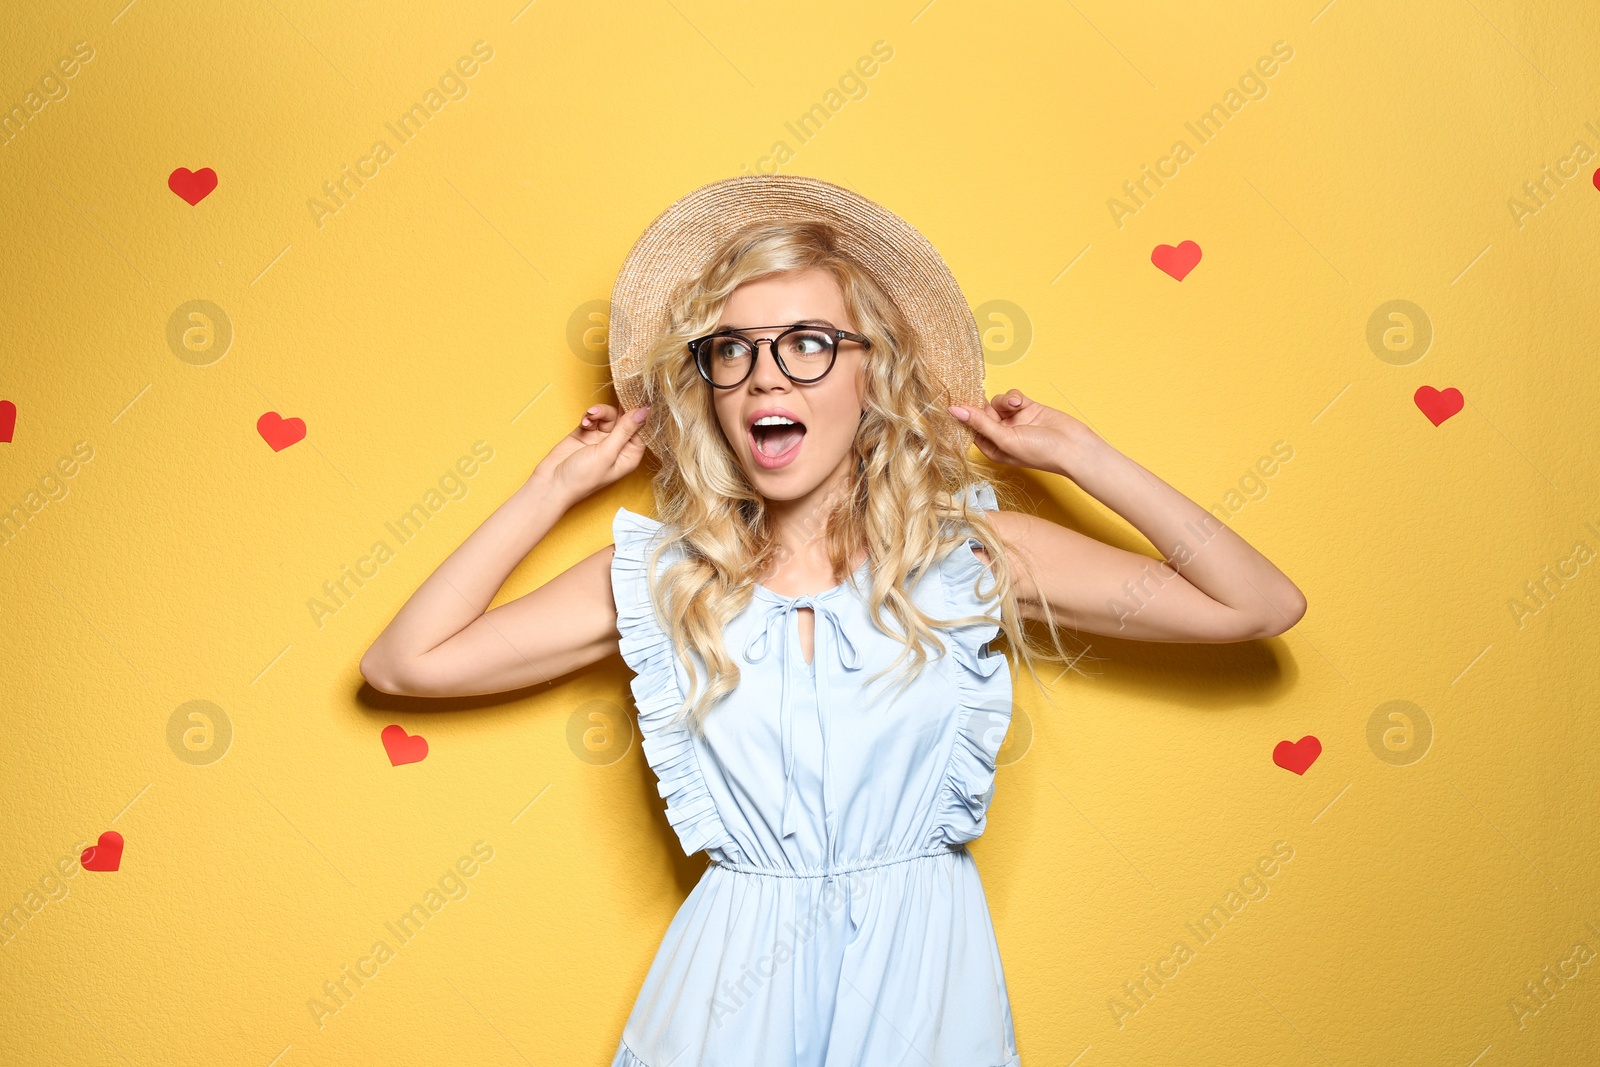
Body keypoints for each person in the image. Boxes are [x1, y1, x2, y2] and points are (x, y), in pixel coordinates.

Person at [359, 175, 1306, 1066]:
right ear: (710, 389)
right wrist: (549, 488)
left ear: (874, 372)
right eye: (733, 349)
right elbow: (406, 663)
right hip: (728, 999)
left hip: (924, 992)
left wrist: (1083, 456)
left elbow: (1258, 604)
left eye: (808, 342)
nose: (768, 376)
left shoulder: (969, 556)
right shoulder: (667, 580)